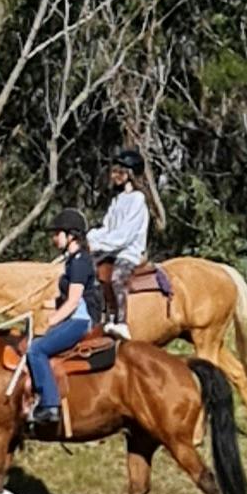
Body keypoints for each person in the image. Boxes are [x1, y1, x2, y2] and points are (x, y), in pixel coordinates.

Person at [25, 206, 102, 437]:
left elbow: (74, 301)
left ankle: (50, 405)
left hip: (80, 320)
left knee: (36, 349)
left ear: (71, 236)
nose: (53, 238)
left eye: (57, 233)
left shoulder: (80, 262)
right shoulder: (72, 260)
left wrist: (52, 320)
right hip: (74, 315)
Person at [89, 146, 153, 333]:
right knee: (90, 271)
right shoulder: (117, 200)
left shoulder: (137, 199)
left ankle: (122, 322)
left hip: (129, 252)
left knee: (116, 277)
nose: (114, 175)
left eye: (119, 171)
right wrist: (87, 238)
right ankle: (102, 315)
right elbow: (107, 228)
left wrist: (98, 245)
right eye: (114, 170)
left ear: (130, 174)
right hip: (112, 250)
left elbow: (124, 236)